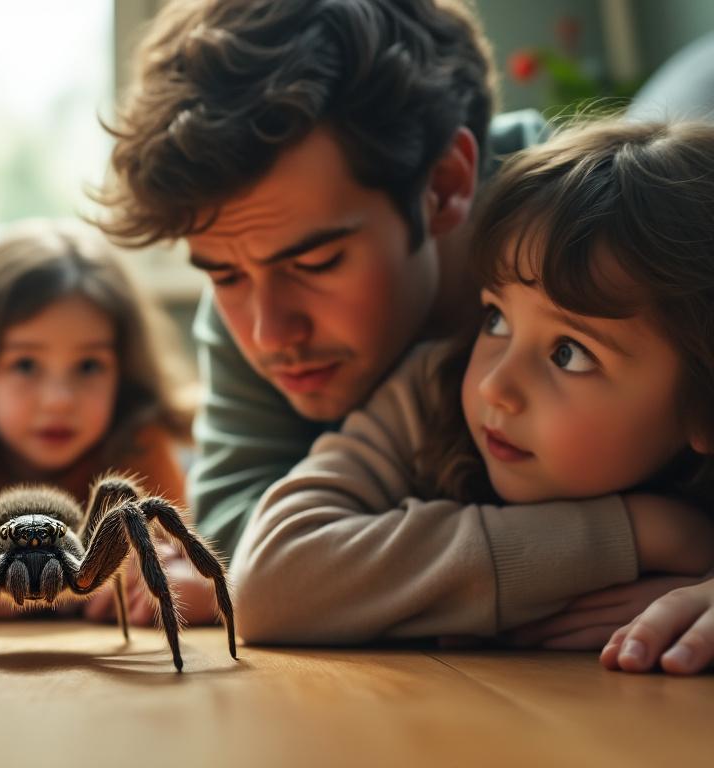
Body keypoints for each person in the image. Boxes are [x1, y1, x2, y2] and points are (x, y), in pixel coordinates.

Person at [227, 120, 714, 644]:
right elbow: (268, 585)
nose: (493, 386)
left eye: (568, 353)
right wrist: (638, 534)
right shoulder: (428, 395)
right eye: (496, 320)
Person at [97, 0, 509, 561]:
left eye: (317, 264)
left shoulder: (604, 242)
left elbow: (678, 526)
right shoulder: (257, 277)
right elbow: (236, 531)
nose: (269, 333)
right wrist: (620, 542)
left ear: (444, 184)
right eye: (224, 274)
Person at [0, 219, 202, 623]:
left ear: (123, 372)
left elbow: (172, 563)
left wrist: (188, 586)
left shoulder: (139, 456)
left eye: (89, 365)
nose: (58, 401)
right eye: (24, 364)